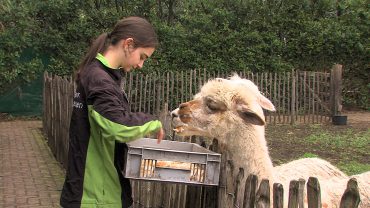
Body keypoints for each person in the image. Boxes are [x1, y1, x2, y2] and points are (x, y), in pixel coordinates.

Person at [60, 16, 164, 208]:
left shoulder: (98, 74)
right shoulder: (100, 79)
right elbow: (117, 125)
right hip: (95, 196)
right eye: (142, 57)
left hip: (96, 190)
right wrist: (153, 122)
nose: (141, 65)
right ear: (129, 44)